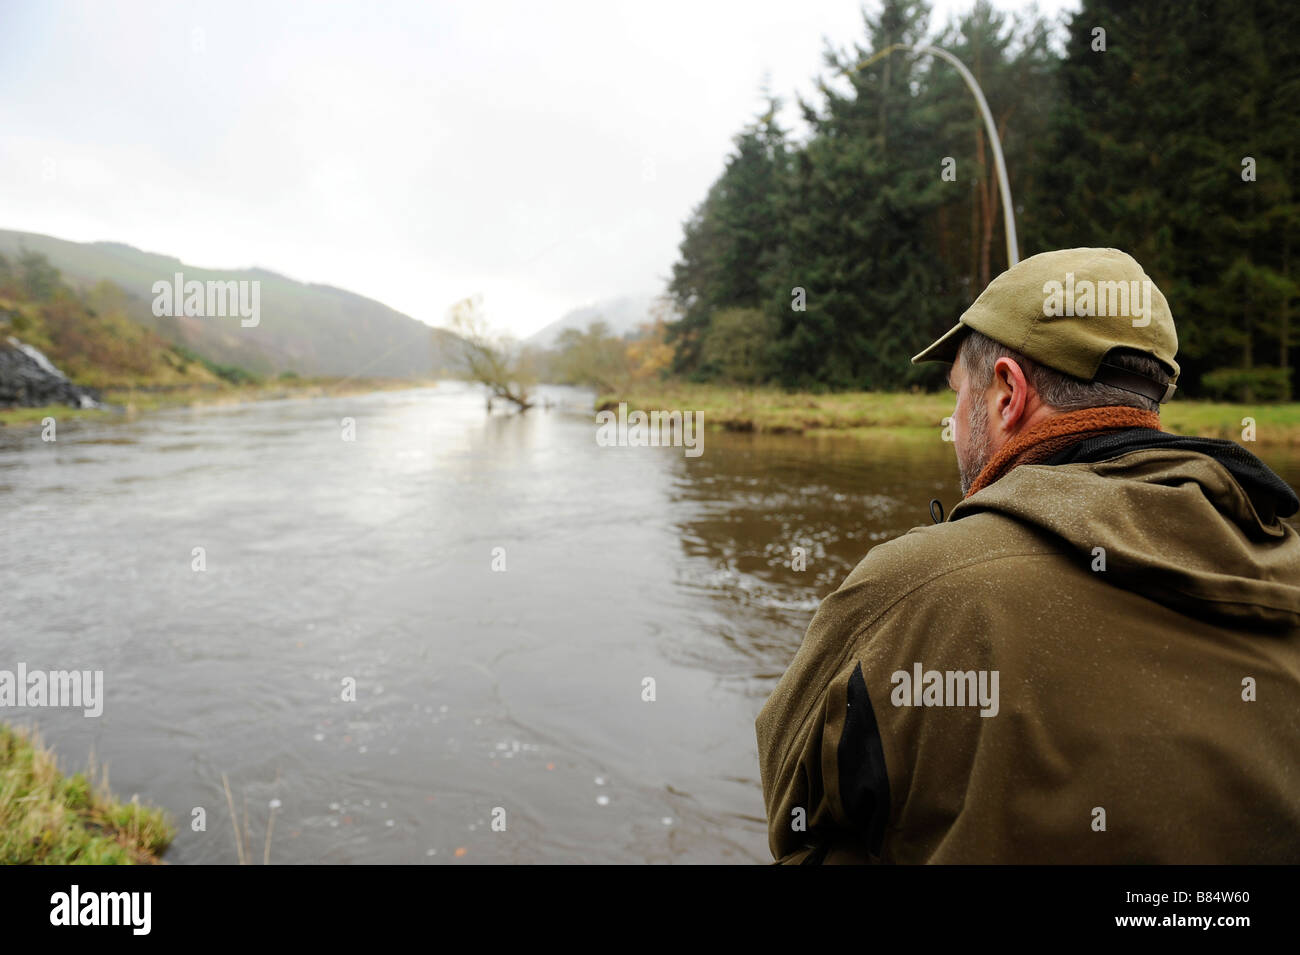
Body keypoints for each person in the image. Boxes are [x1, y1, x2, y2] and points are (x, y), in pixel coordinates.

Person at [755, 247, 1300, 864]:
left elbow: (794, 816)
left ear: (1008, 393)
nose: (954, 425)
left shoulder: (908, 591)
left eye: (958, 396)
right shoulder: (1283, 554)